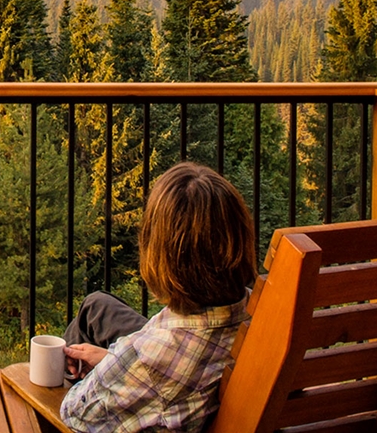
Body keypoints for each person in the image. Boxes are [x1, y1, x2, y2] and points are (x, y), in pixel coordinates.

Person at [59, 162, 256, 433]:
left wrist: (107, 374)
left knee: (60, 378)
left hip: (169, 363)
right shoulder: (258, 310)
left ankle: (60, 371)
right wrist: (112, 361)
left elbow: (76, 413)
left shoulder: (148, 358)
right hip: (197, 345)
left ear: (163, 253)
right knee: (96, 306)